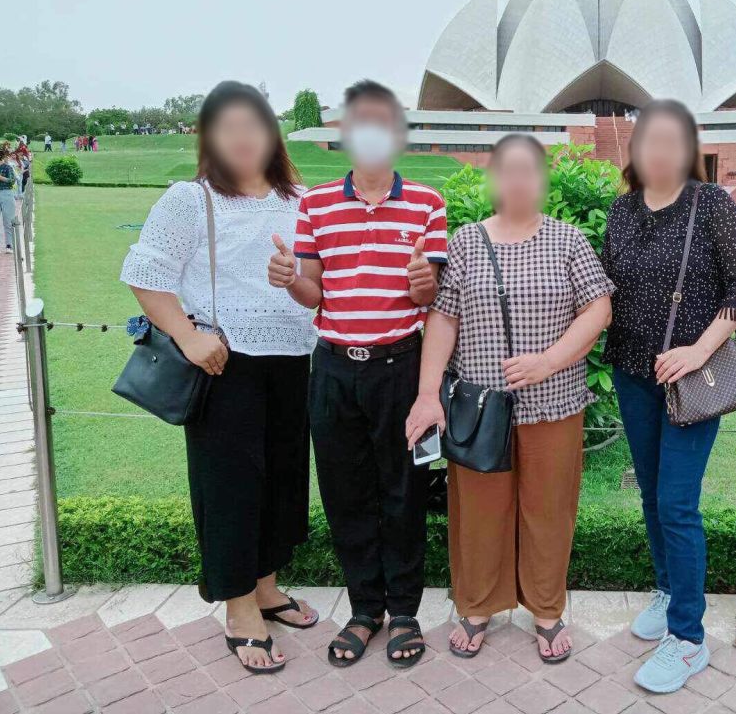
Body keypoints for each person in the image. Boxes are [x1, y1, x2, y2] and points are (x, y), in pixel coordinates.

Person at [120, 81, 320, 676]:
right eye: (227, 126)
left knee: (283, 476)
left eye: (253, 125)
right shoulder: (192, 199)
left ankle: (265, 586)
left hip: (291, 357)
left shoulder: (300, 199)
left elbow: (316, 276)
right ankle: (238, 609)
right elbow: (145, 271)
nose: (242, 137)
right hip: (221, 361)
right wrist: (187, 334)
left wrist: (295, 274)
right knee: (230, 484)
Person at [405, 134, 614, 663]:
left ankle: (546, 609)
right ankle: (476, 605)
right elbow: (444, 319)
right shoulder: (467, 242)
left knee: (549, 509)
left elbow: (598, 310)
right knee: (479, 510)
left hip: (555, 403)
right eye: (508, 170)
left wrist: (549, 361)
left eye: (529, 170)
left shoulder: (569, 241)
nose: (518, 180)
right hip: (480, 407)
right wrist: (429, 393)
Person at [268, 79, 447, 670]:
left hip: (400, 365)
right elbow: (312, 292)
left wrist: (426, 283)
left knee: (403, 491)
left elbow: (436, 294)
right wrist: (288, 277)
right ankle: (365, 609)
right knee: (346, 492)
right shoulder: (317, 204)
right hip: (336, 368)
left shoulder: (426, 202)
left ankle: (404, 611)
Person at [601, 100, 736, 693]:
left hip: (692, 379)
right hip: (632, 374)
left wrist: (698, 349)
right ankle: (667, 593)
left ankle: (689, 640)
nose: (660, 150)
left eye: (673, 140)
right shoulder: (621, 211)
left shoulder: (710, 204)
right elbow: (605, 286)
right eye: (651, 139)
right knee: (651, 494)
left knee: (677, 503)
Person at [0, 144, 21, 253]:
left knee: (8, 221)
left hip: (6, 193)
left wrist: (1, 178)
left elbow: (12, 181)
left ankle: (9, 245)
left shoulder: (7, 167)